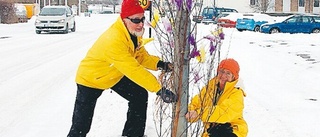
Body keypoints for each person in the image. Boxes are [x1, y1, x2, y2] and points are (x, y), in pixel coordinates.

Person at [67, 0, 177, 136]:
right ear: (124, 19)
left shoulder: (132, 33)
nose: (141, 24)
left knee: (139, 95)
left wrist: (160, 64)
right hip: (91, 79)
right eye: (136, 20)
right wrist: (159, 89)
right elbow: (133, 69)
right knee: (81, 126)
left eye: (142, 19)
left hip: (113, 74)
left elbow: (140, 56)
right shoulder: (114, 40)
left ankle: (133, 134)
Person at [185, 58, 248, 137]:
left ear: (233, 76)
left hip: (232, 130)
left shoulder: (237, 93)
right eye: (221, 71)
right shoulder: (211, 87)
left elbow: (223, 113)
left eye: (228, 73)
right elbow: (197, 102)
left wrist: (199, 113)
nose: (223, 76)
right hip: (211, 131)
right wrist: (191, 112)